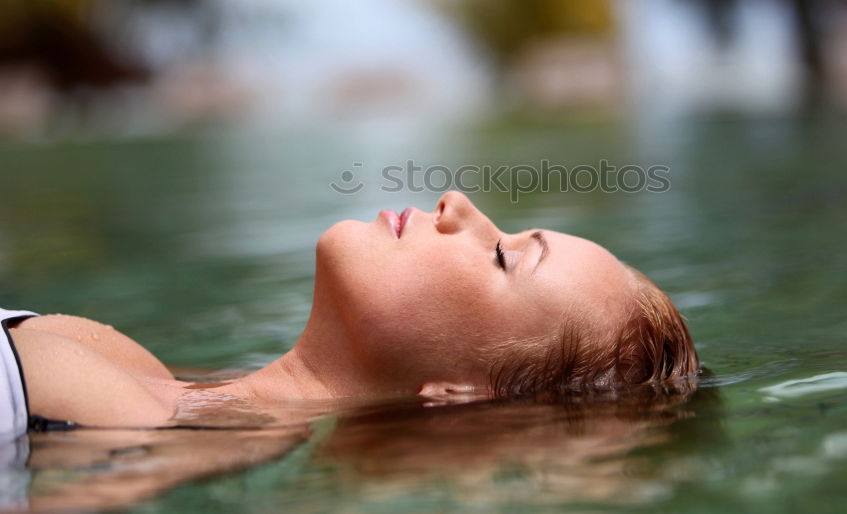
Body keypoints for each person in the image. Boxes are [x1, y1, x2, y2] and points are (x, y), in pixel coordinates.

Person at [1, 191, 698, 435]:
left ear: (459, 394)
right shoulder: (144, 381)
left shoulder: (118, 433)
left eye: (502, 258)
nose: (458, 204)